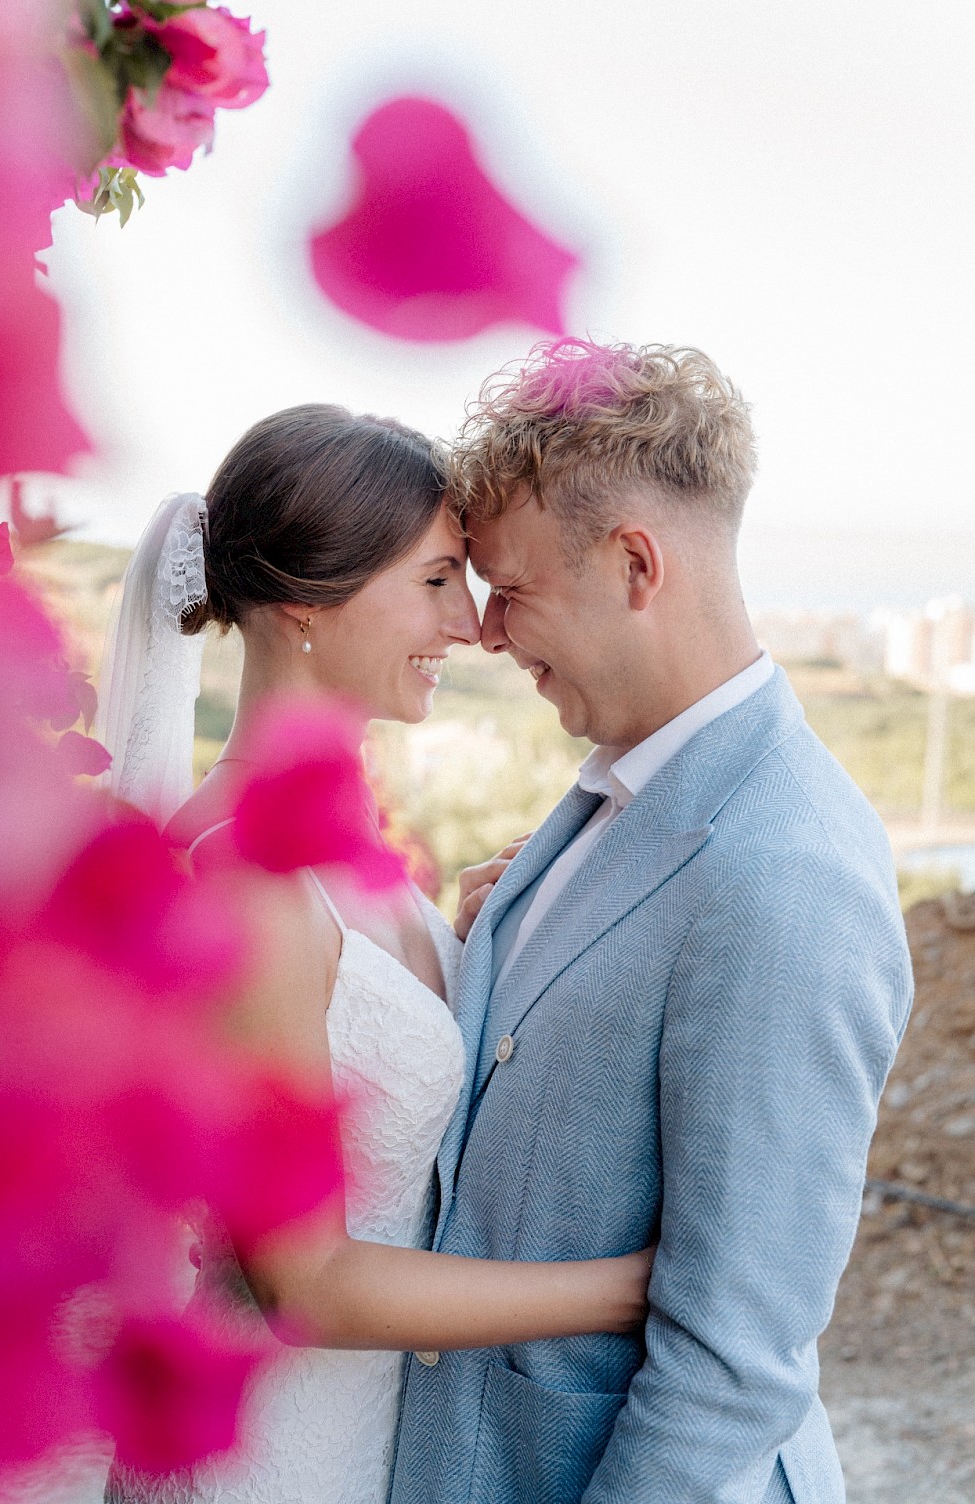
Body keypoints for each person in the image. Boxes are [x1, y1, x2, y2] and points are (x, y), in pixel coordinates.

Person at [97, 404, 652, 1504]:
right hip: (269, 1461)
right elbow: (309, 1281)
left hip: (367, 1445)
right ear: (308, 604)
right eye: (438, 579)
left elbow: (342, 1034)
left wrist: (459, 946)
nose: (471, 625)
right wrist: (635, 1286)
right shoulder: (245, 881)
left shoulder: (336, 853)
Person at [390, 341, 913, 1504]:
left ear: (634, 564)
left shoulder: (787, 876)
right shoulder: (620, 787)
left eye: (512, 588)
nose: (485, 632)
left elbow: (730, 1365)